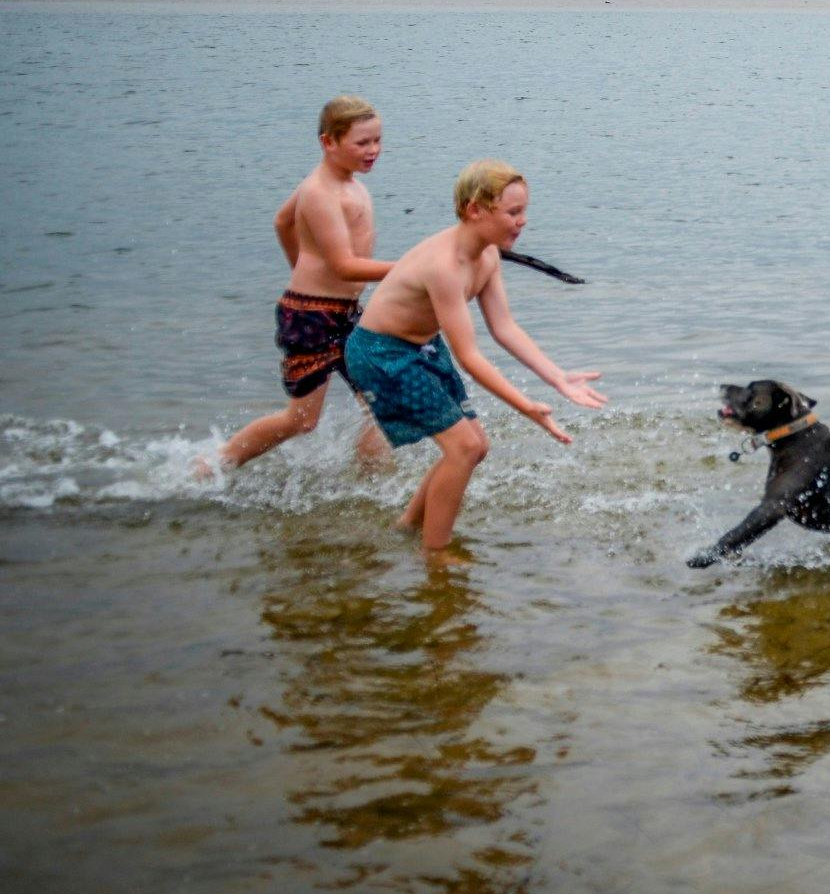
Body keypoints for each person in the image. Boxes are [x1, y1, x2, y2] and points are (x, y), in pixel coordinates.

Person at [344, 159, 607, 555]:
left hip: (420, 346)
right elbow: (469, 356)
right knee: (463, 448)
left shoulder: (487, 256)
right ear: (475, 210)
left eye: (524, 212)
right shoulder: (444, 265)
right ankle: (437, 555)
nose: (522, 222)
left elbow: (505, 328)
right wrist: (526, 408)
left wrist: (557, 377)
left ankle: (407, 526)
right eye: (513, 213)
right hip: (381, 353)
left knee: (475, 446)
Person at [213, 96, 396, 472]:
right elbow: (345, 267)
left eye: (377, 140)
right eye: (362, 143)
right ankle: (215, 465)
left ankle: (373, 485)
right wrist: (411, 268)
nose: (373, 150)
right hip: (311, 318)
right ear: (328, 142)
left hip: (344, 313)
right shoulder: (320, 191)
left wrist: (301, 266)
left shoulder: (346, 183)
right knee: (302, 420)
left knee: (383, 404)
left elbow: (282, 221)